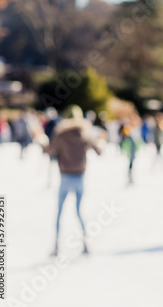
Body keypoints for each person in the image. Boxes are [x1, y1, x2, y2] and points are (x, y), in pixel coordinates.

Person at [44, 105, 104, 256]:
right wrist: (101, 139)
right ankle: (85, 244)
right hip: (80, 177)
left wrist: (41, 140)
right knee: (79, 211)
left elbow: (50, 151)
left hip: (65, 177)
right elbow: (99, 150)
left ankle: (56, 246)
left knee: (59, 212)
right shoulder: (85, 133)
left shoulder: (61, 134)